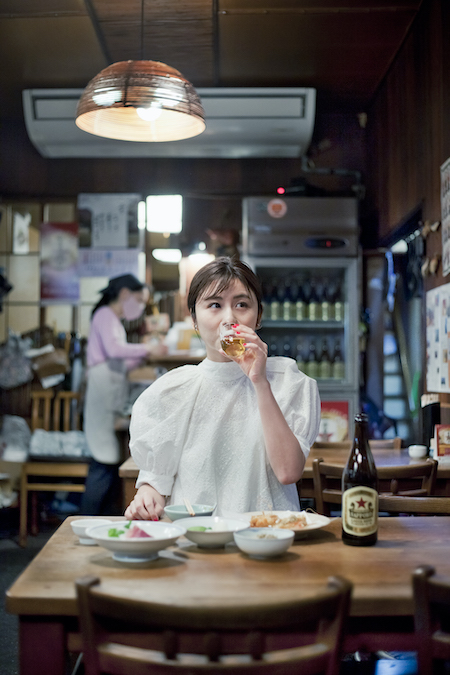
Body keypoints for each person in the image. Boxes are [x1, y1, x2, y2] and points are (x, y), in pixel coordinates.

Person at [125, 257, 321, 521]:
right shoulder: (172, 391)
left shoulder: (288, 381)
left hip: (267, 537)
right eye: (214, 305)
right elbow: (156, 481)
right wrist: (147, 496)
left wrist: (260, 381)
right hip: (196, 538)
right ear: (194, 319)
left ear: (258, 316)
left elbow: (288, 472)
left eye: (242, 304)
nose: (229, 318)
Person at [80, 273, 166, 515]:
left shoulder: (112, 319)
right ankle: (86, 521)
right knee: (102, 463)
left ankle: (98, 520)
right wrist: (147, 347)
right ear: (125, 295)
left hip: (109, 395)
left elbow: (119, 362)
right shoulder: (105, 315)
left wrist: (143, 355)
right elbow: (114, 350)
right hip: (101, 396)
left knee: (107, 463)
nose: (140, 307)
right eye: (139, 300)